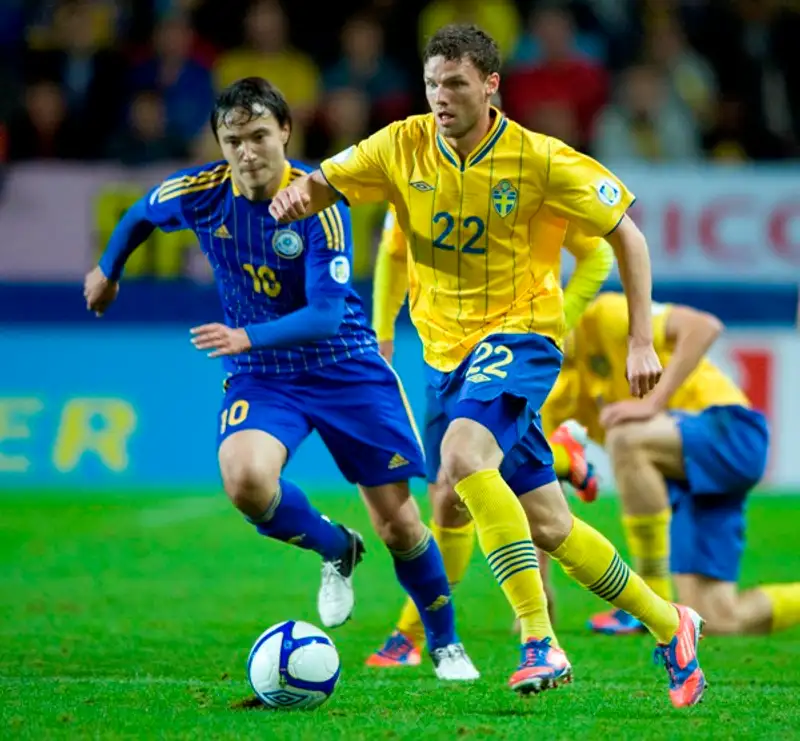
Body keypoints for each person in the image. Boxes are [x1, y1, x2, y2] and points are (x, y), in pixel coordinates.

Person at [268, 25, 705, 707]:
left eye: (455, 84)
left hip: (521, 335)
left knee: (463, 457)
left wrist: (641, 339)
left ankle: (539, 638)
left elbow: (626, 235)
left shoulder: (539, 158)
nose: (440, 97)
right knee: (548, 523)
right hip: (445, 355)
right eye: (432, 84)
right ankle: (671, 623)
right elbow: (325, 183)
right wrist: (297, 196)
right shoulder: (401, 144)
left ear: (491, 85)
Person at [83, 76, 477, 681]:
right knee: (245, 480)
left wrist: (246, 335)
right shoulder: (200, 193)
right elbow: (140, 214)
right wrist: (107, 271)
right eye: (234, 140)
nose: (247, 152)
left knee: (399, 524)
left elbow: (324, 314)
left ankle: (446, 644)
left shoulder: (319, 201)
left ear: (285, 133)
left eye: (260, 136)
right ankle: (335, 547)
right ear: (219, 143)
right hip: (264, 376)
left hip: (344, 367)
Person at [365, 202, 603, 667]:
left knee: (486, 489)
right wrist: (383, 331)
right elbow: (392, 253)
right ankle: (562, 457)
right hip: (444, 358)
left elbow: (599, 253)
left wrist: (560, 320)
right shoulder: (408, 175)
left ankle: (419, 633)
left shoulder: (523, 178)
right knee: (447, 499)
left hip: (508, 353)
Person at [543, 292, 800, 638]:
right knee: (718, 619)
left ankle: (651, 599)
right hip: (687, 477)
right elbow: (541, 488)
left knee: (626, 438)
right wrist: (540, 591)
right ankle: (661, 606)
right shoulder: (555, 392)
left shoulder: (607, 314)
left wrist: (653, 404)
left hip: (730, 431)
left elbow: (704, 327)